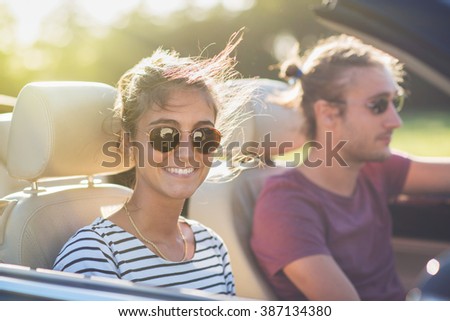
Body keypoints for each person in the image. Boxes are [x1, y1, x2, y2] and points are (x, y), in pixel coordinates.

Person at [251, 34, 450, 300]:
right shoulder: (285, 206)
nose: (395, 121)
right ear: (328, 113)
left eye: (395, 101)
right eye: (378, 105)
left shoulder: (372, 167)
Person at [53, 31, 253, 296]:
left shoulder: (211, 245)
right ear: (128, 143)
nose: (186, 153)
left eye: (202, 136)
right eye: (165, 135)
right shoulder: (95, 254)